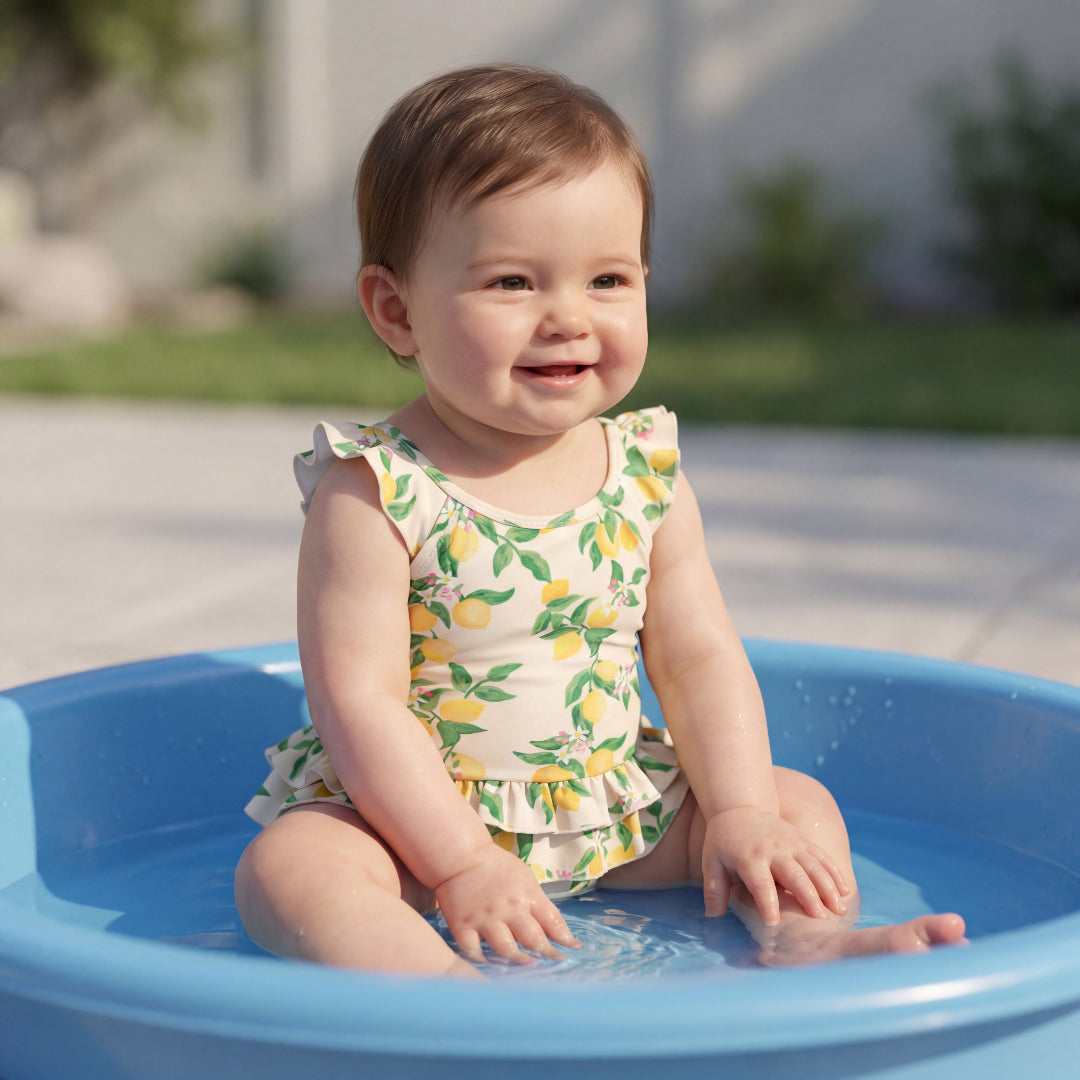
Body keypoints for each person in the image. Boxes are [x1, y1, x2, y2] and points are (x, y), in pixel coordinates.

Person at [234, 64, 965, 976]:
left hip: (613, 809)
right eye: (511, 282)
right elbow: (360, 702)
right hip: (412, 826)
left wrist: (737, 815)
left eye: (608, 279)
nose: (568, 319)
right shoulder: (376, 491)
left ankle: (802, 939)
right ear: (397, 310)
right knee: (292, 871)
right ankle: (441, 994)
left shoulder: (644, 477)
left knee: (795, 805)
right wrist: (461, 861)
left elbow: (697, 658)